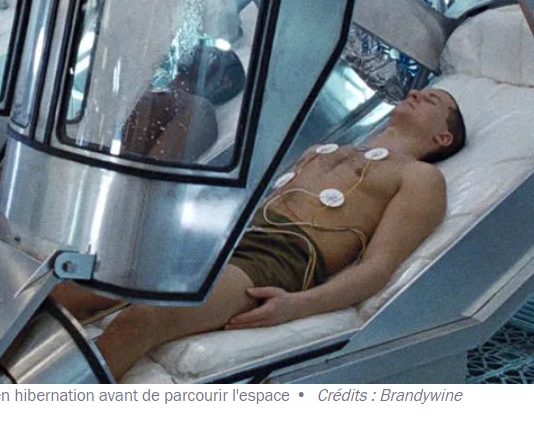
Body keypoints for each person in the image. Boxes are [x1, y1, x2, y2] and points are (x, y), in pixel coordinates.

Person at [60, 87, 467, 380]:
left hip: (279, 257)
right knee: (67, 288)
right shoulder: (326, 149)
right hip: (229, 234)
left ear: (442, 137)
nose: (415, 92)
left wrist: (295, 306)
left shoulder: (421, 178)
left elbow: (378, 267)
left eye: (432, 100)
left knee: (147, 316)